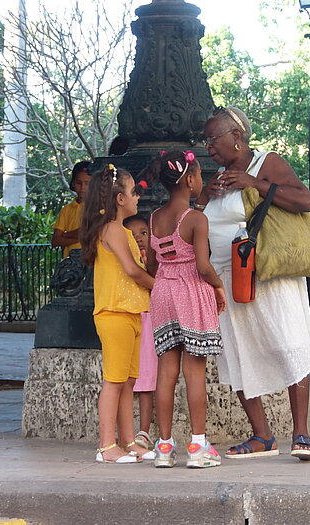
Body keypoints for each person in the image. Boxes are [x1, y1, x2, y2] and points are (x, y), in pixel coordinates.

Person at [195, 106, 310, 461]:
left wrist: (255, 183)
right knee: (237, 354)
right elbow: (203, 221)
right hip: (226, 279)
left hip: (267, 276)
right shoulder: (219, 175)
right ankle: (262, 436)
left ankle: (301, 434)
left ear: (236, 136)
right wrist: (204, 196)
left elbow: (304, 200)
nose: (209, 147)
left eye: (213, 138)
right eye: (205, 140)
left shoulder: (266, 163)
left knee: (289, 346)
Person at [141, 150, 226, 469]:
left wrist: (167, 277)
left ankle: (163, 447)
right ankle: (198, 445)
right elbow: (203, 266)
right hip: (191, 292)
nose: (201, 180)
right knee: (194, 373)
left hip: (163, 292)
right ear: (189, 180)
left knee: (166, 373)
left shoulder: (153, 218)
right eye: (200, 175)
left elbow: (152, 263)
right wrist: (218, 285)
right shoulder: (195, 219)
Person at [79, 164, 155, 464]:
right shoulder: (112, 229)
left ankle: (127, 441)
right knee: (114, 380)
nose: (138, 196)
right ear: (120, 198)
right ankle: (106, 445)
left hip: (132, 312)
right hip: (115, 313)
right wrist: (161, 288)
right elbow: (133, 271)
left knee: (127, 381)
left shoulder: (121, 230)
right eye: (134, 190)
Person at [123, 214, 157, 451]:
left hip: (150, 320)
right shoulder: (125, 262)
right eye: (133, 236)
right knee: (124, 378)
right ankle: (124, 432)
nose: (139, 239)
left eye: (144, 233)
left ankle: (143, 431)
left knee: (146, 378)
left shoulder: (154, 262)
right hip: (130, 319)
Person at [52, 161, 91, 258]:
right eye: (79, 183)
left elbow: (93, 233)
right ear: (73, 183)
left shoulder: (99, 207)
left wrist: (65, 235)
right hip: (71, 264)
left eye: (87, 183)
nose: (83, 187)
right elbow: (55, 241)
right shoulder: (66, 210)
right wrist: (82, 237)